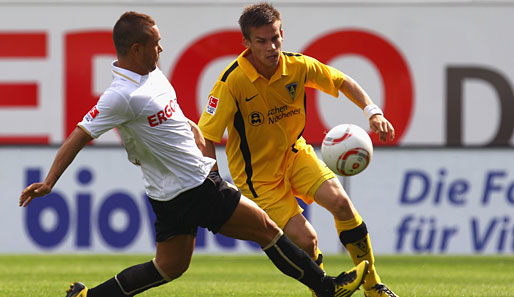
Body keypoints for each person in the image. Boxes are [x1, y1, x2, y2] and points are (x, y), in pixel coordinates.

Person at [18, 11, 369, 297]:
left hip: (169, 192)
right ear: (137, 49)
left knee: (169, 266)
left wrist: (193, 130)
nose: (162, 49)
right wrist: (50, 181)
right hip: (193, 184)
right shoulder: (120, 95)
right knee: (267, 230)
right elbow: (79, 134)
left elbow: (171, 118)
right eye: (156, 44)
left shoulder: (151, 75)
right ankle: (326, 288)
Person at [198, 3, 398, 297]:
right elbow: (206, 136)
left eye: (276, 38)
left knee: (341, 204)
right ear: (246, 43)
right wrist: (212, 179)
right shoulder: (231, 83)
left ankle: (373, 287)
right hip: (259, 178)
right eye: (262, 41)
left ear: (282, 34)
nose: (271, 47)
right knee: (307, 240)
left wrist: (373, 112)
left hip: (295, 155)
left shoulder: (298, 65)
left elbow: (342, 81)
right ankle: (324, 292)